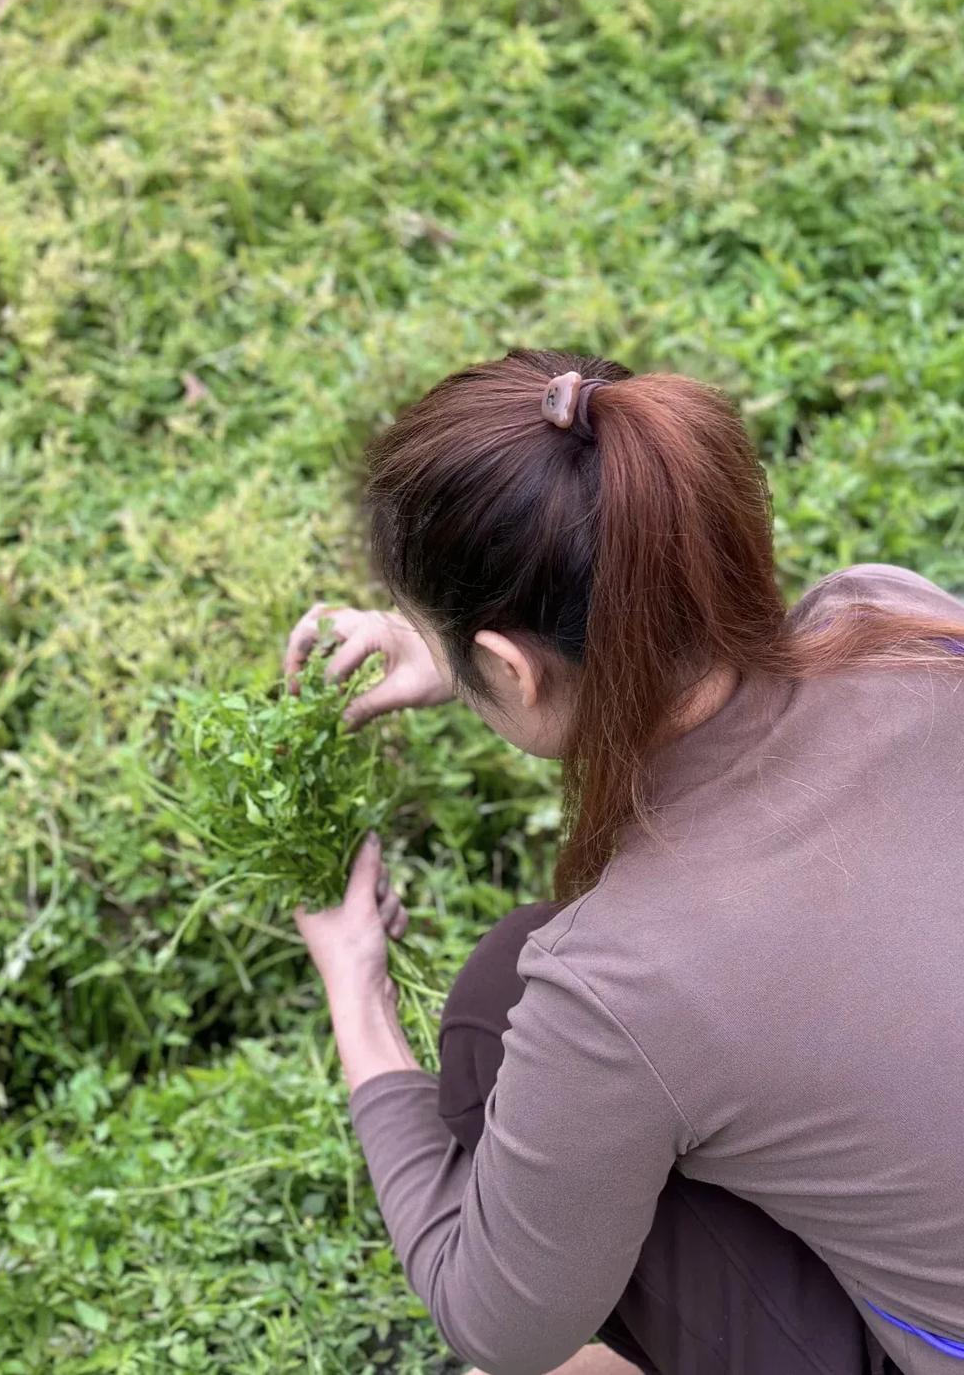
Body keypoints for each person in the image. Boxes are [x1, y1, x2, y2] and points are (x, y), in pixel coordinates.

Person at [282, 350, 964, 1375]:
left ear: (510, 665)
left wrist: (357, 994)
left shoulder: (621, 981)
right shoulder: (902, 624)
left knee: (499, 1018)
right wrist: (461, 658)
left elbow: (498, 1323)